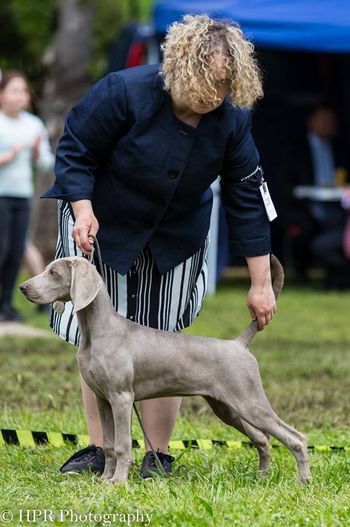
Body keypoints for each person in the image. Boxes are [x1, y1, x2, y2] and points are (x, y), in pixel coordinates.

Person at [43, 15, 276, 479]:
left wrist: (261, 283)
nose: (215, 94)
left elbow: (247, 198)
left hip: (175, 236)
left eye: (225, 84)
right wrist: (83, 210)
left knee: (164, 337)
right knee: (102, 338)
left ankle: (158, 456)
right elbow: (76, 151)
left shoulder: (232, 122)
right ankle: (100, 449)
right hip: (100, 220)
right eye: (208, 82)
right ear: (180, 66)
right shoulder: (123, 91)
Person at [0, 71, 54, 322]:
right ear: (2, 94)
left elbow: (45, 163)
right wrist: (7, 157)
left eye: (24, 91)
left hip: (22, 197)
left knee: (14, 252)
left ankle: (6, 304)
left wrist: (34, 154)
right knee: (2, 248)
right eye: (14, 90)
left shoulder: (34, 124)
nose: (21, 96)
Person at [283, 104, 349, 282]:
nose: (328, 125)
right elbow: (288, 185)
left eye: (331, 121)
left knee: (339, 227)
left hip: (336, 206)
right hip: (305, 207)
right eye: (324, 120)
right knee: (303, 226)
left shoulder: (340, 149)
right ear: (311, 122)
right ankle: (301, 274)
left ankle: (336, 275)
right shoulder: (297, 149)